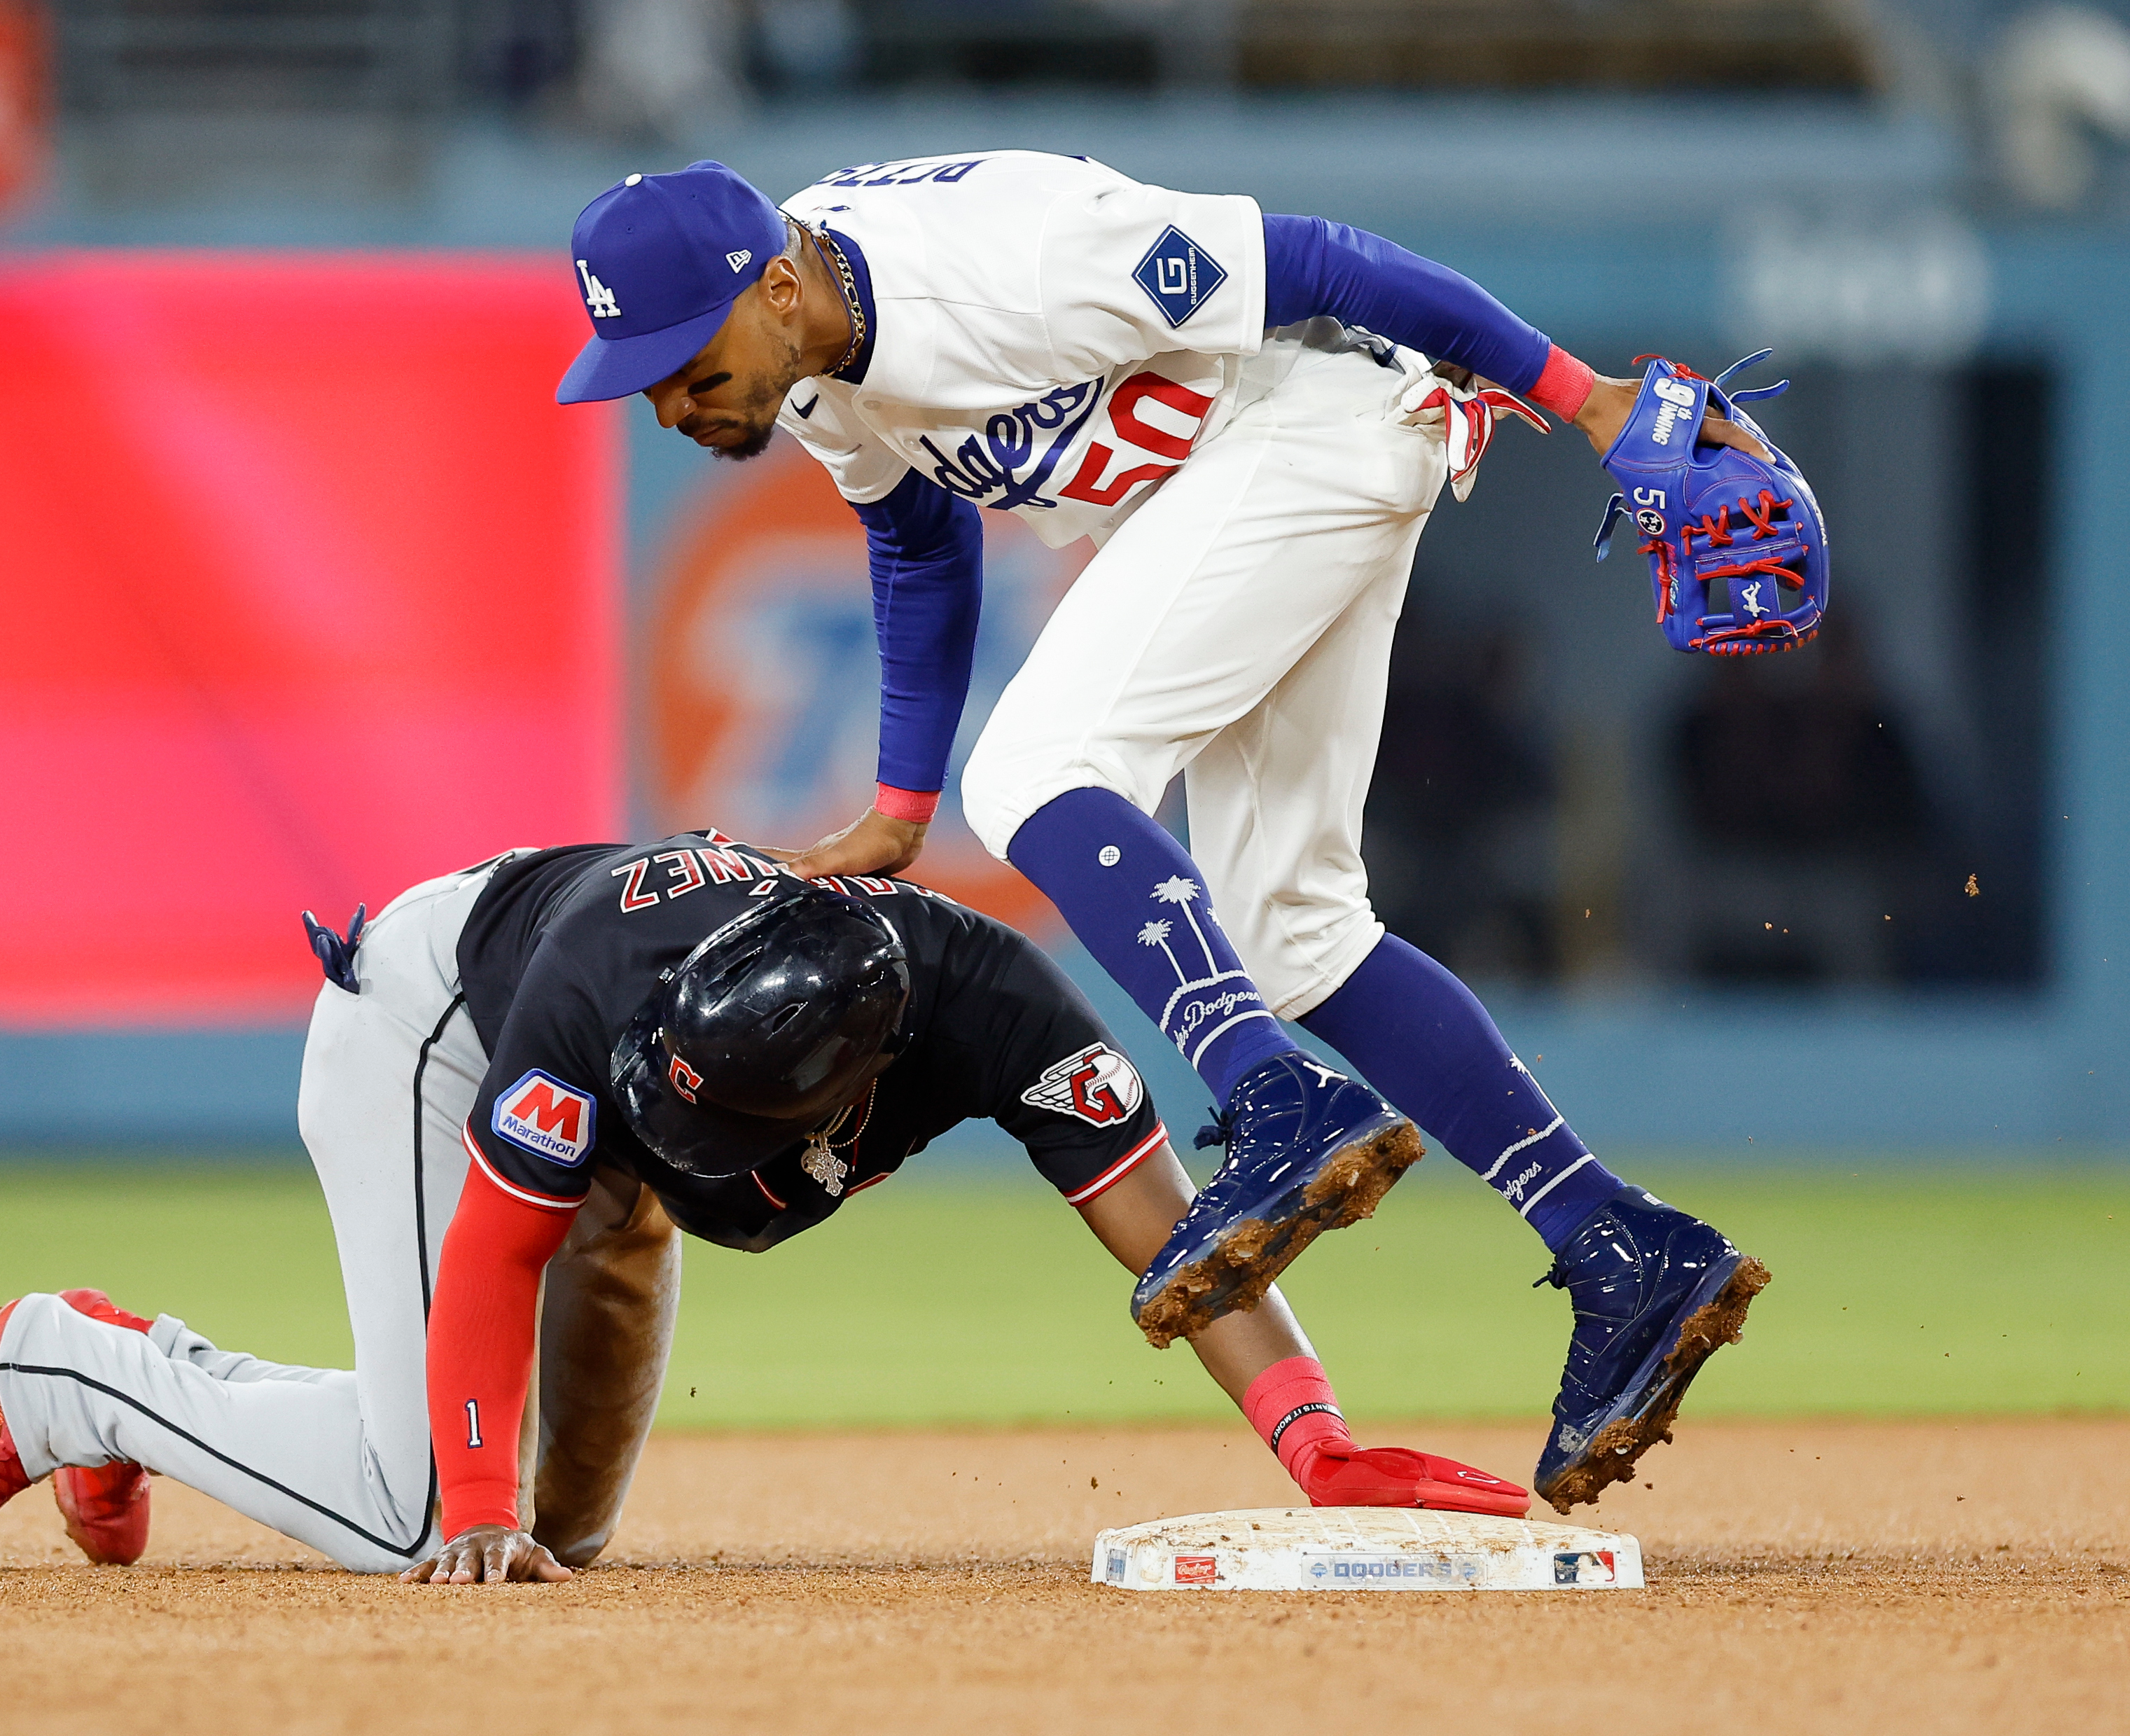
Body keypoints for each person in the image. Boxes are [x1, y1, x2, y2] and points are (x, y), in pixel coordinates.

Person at [551, 156, 1771, 1512]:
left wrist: (1580, 396)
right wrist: (899, 810)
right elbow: (913, 543)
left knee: (1030, 767)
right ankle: (1620, 1249)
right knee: (1294, 930)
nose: (667, 398)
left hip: (1321, 408)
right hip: (1272, 458)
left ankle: (1272, 1101)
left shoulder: (999, 258)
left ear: (774, 288)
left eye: (680, 358)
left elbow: (1318, 257)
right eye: (639, 374)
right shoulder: (814, 359)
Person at [0, 835, 1529, 1581]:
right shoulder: (601, 986)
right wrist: (470, 1496)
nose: (667, 1103)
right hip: (426, 1030)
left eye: (708, 1108)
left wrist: (1311, 1436)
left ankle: (149, 1404)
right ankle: (64, 1372)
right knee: (435, 1519)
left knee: (566, 1535)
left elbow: (1176, 1230)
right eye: (661, 1081)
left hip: (595, 1154)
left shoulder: (998, 1012)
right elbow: (498, 1241)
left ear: (851, 1082)